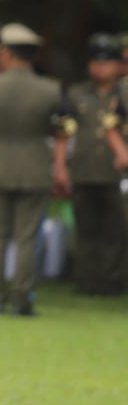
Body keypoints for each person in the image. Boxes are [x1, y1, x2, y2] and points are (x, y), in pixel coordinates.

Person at [0, 23, 70, 316]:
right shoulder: (50, 88)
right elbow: (62, 129)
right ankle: (22, 297)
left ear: (6, 53)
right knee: (27, 237)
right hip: (35, 166)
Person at [63, 33, 126, 295]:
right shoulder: (76, 94)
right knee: (86, 229)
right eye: (96, 62)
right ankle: (86, 281)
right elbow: (63, 134)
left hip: (117, 173)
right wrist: (61, 167)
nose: (101, 67)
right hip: (84, 170)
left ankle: (113, 281)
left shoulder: (124, 92)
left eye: (107, 62)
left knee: (117, 230)